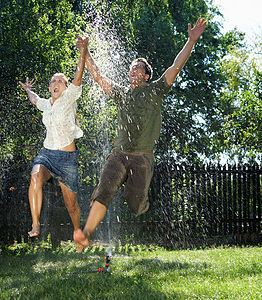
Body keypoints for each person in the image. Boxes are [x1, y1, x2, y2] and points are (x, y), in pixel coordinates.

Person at [74, 18, 207, 252]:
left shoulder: (156, 91)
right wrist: (85, 52)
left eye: (138, 67)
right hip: (118, 155)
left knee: (135, 205)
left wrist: (191, 40)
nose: (133, 69)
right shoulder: (121, 94)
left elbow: (175, 66)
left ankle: (139, 199)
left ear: (146, 76)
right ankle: (85, 234)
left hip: (142, 158)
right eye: (131, 66)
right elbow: (98, 77)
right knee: (103, 191)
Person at [18, 35, 88, 243]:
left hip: (67, 159)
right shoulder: (46, 104)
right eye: (53, 81)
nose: (56, 83)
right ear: (50, 88)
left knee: (71, 205)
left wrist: (83, 52)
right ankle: (35, 223)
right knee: (35, 177)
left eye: (60, 81)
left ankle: (78, 231)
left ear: (66, 87)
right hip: (47, 155)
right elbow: (35, 100)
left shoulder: (70, 97)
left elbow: (78, 76)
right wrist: (29, 90)